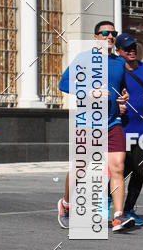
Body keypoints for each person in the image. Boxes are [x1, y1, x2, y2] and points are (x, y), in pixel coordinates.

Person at [57, 20, 134, 232]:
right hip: (88, 123)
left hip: (112, 123)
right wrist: (89, 91)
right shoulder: (84, 58)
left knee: (117, 167)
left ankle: (118, 216)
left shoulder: (119, 63)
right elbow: (64, 84)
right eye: (105, 33)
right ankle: (66, 204)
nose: (110, 37)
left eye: (113, 34)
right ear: (96, 38)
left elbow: (120, 88)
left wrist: (123, 97)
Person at [114, 32, 143, 225]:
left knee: (138, 171)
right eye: (127, 48)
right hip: (120, 129)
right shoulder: (115, 70)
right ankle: (106, 204)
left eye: (134, 47)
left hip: (140, 129)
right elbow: (106, 94)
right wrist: (116, 106)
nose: (132, 51)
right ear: (118, 51)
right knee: (119, 170)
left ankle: (129, 209)